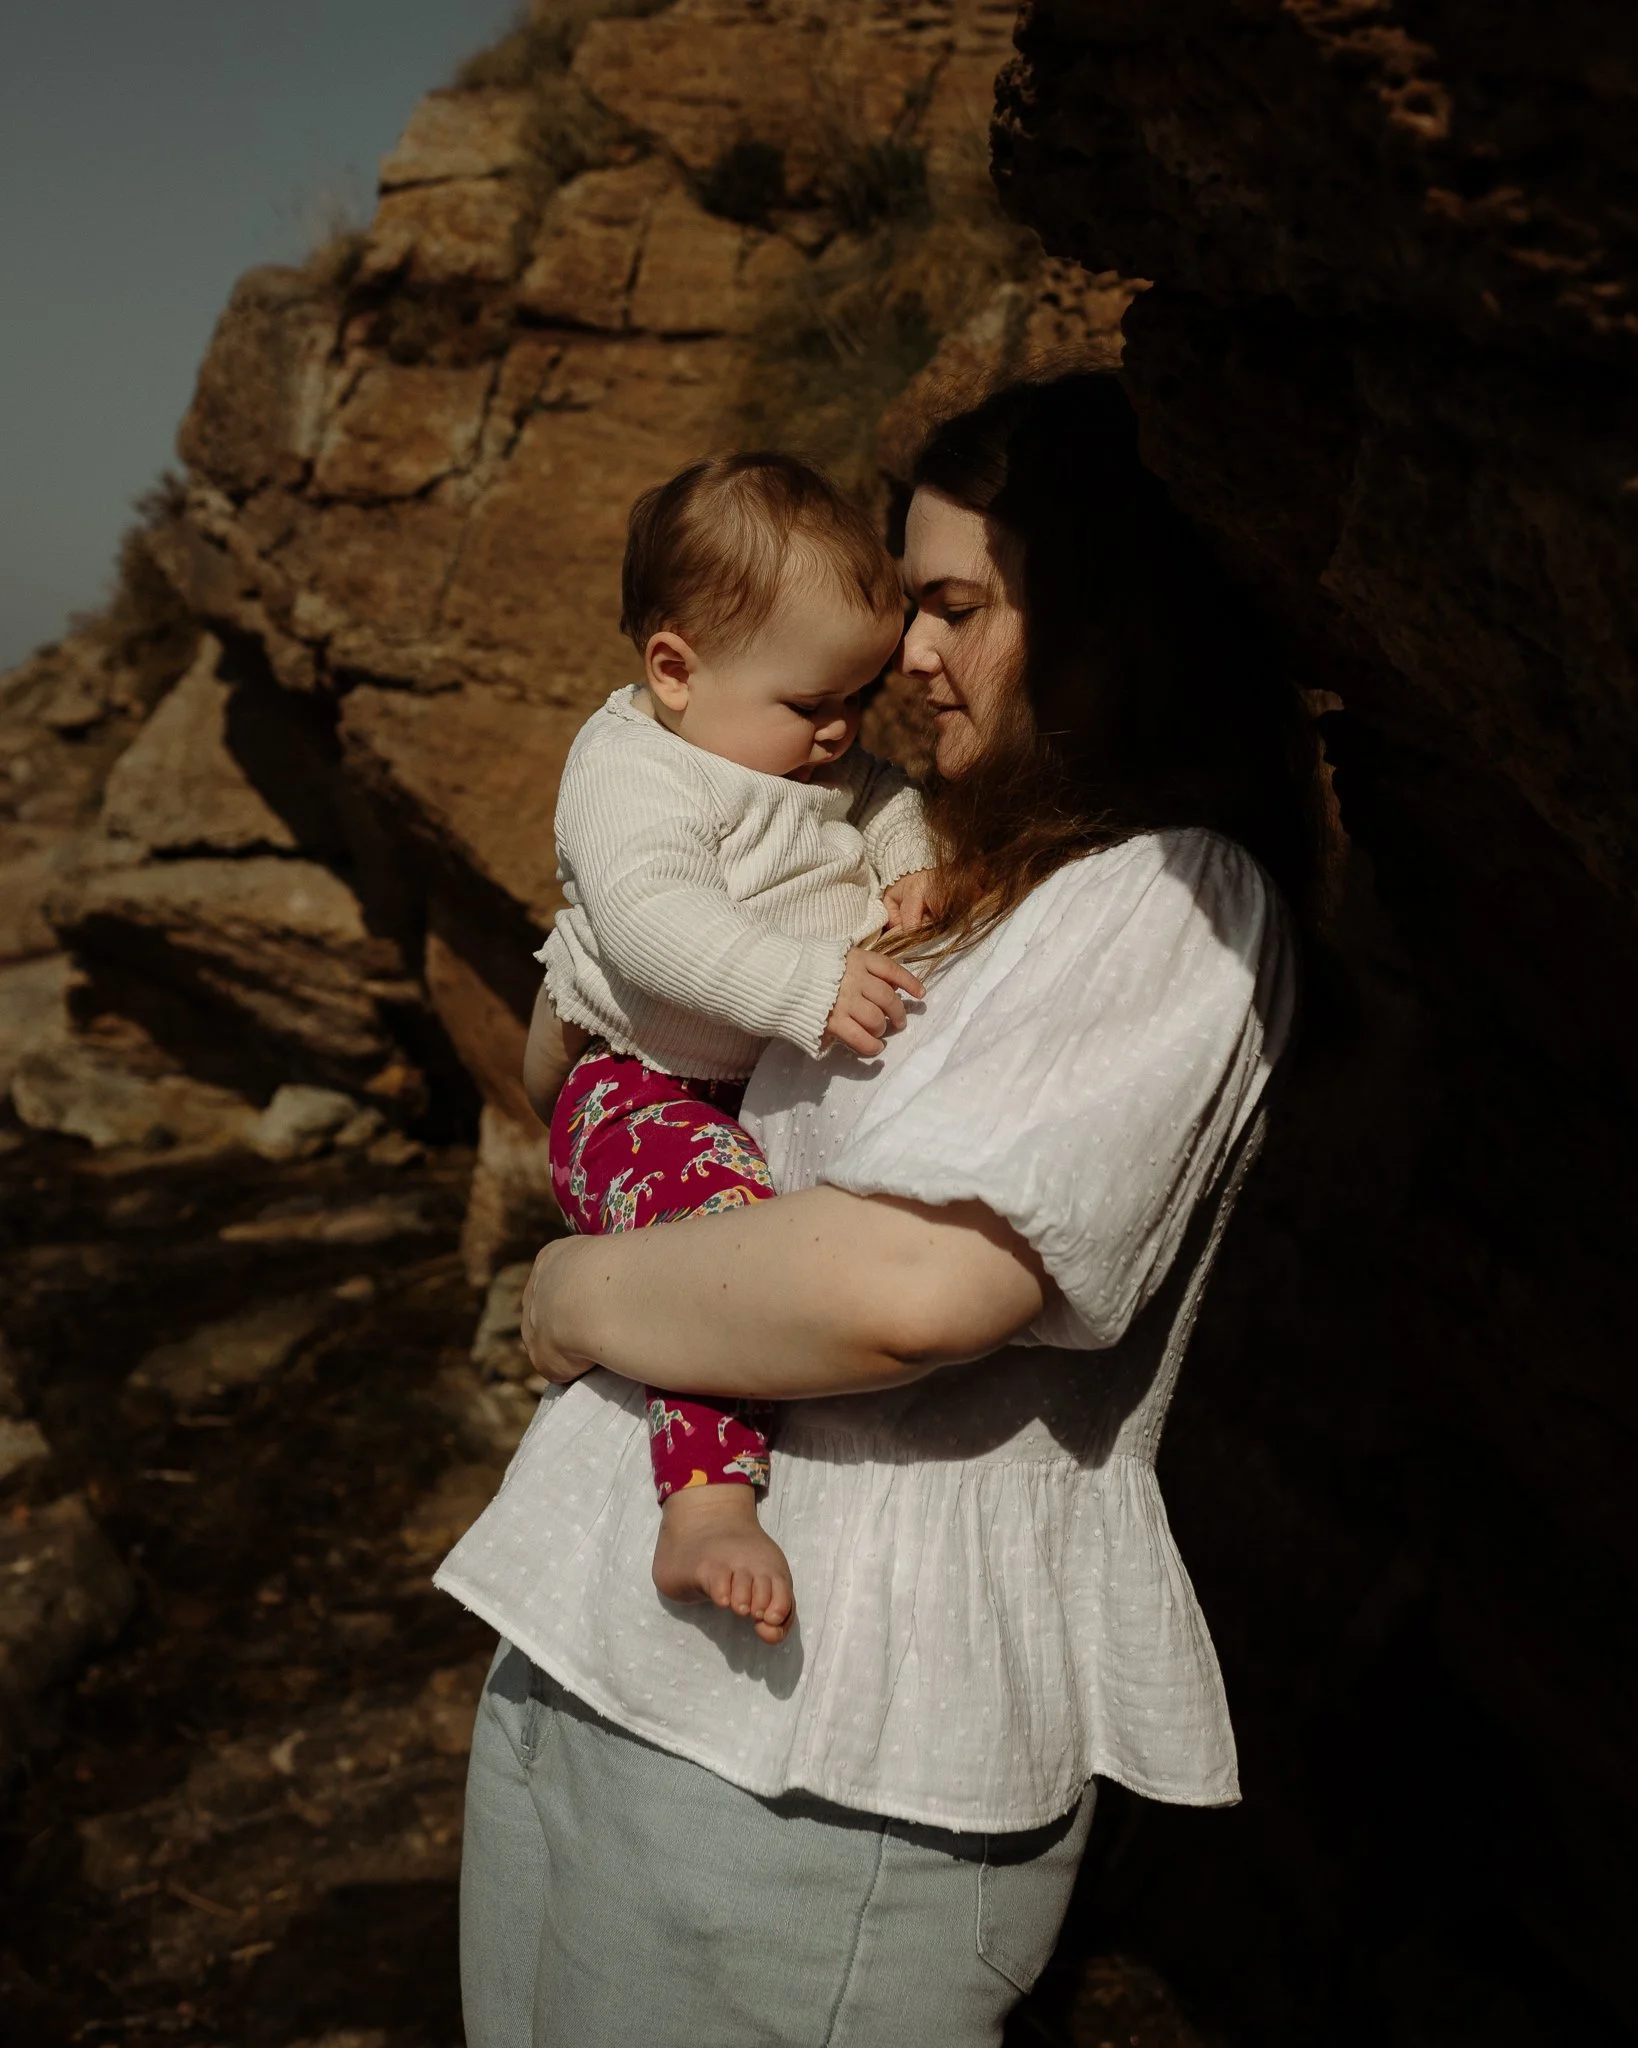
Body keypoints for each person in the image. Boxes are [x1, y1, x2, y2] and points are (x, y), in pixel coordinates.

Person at [436, 373, 1326, 2048]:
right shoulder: (942, 864)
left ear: (1107, 614)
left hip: (817, 1749)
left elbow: (905, 1284)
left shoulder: (1170, 897)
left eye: (955, 606)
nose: (901, 656)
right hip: (590, 1641)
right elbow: (607, 1041)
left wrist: (567, 1294)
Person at [534, 452, 935, 1647]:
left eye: (857, 697)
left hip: (733, 1089)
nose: (840, 731)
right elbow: (656, 928)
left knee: (751, 1221)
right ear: (674, 668)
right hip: (631, 1088)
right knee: (715, 1250)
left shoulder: (807, 743)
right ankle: (705, 1504)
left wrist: (911, 854)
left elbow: (879, 790)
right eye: (812, 704)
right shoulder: (631, 772)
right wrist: (809, 985)